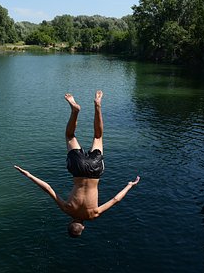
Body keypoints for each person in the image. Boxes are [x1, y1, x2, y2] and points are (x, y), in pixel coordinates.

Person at [14, 90, 140, 238]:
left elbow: (116, 199)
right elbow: (48, 189)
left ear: (83, 228)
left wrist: (130, 185)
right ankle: (74, 110)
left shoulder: (94, 214)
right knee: (69, 135)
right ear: (69, 223)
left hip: (94, 171)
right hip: (78, 169)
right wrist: (28, 174)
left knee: (98, 136)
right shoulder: (67, 210)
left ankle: (98, 105)